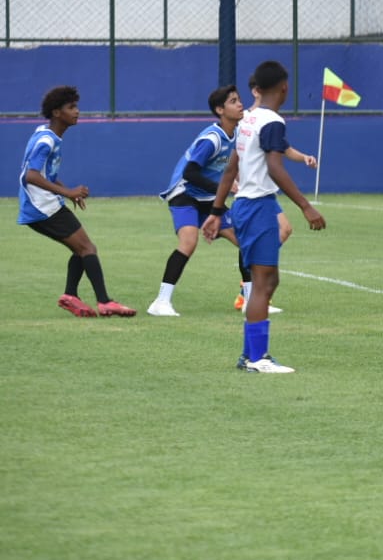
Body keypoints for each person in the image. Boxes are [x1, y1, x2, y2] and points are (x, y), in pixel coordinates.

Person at [202, 61, 325, 373]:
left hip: (248, 205)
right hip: (258, 206)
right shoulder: (271, 121)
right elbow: (274, 166)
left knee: (266, 281)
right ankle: (258, 358)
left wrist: (217, 212)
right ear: (284, 88)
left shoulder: (248, 120)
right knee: (263, 282)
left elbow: (232, 168)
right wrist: (305, 206)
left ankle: (250, 356)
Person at [147, 84, 312, 317]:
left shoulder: (239, 132)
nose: (240, 104)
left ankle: (248, 299)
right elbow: (190, 173)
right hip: (185, 195)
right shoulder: (212, 138)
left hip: (209, 199)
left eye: (239, 99)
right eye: (233, 101)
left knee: (246, 240)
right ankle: (161, 301)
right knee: (189, 241)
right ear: (220, 110)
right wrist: (224, 187)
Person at [17, 85, 136, 317]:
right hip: (43, 208)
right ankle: (105, 302)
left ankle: (70, 295)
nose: (77, 111)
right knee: (87, 248)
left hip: (42, 205)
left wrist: (65, 191)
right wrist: (68, 192)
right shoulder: (46, 141)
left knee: (80, 249)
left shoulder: (44, 133)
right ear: (56, 113)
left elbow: (44, 173)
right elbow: (30, 175)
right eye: (71, 107)